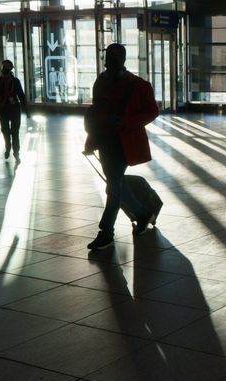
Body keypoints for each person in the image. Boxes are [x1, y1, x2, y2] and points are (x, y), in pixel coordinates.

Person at [83, 43, 160, 250]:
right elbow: (97, 111)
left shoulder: (136, 85)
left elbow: (152, 111)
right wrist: (91, 139)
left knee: (114, 186)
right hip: (106, 141)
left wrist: (127, 122)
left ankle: (106, 232)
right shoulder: (102, 81)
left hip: (124, 142)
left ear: (123, 59)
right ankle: (143, 214)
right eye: (108, 55)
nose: (109, 60)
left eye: (114, 56)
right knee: (114, 184)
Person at [0, 60, 29, 163]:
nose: (5, 69)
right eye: (4, 67)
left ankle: (16, 152)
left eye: (7, 67)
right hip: (2, 109)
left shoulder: (15, 81)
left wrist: (27, 110)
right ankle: (8, 147)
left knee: (15, 132)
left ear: (11, 69)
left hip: (14, 108)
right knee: (5, 131)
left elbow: (21, 96)